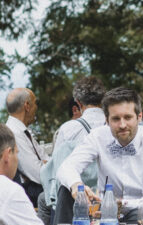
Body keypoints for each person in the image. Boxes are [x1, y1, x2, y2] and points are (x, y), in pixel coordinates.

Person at [54, 87, 143, 225]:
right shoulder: (98, 136)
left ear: (139, 117)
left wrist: (117, 205)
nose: (122, 124)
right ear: (107, 120)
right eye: (116, 119)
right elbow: (66, 167)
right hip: (105, 219)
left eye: (128, 117)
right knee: (66, 190)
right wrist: (76, 186)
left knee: (136, 215)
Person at [41, 77, 107, 215]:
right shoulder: (112, 126)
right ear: (102, 100)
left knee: (43, 200)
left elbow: (57, 167)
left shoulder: (68, 128)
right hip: (105, 194)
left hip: (73, 197)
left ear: (78, 102)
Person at [4, 87, 47, 208]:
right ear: (27, 106)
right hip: (29, 194)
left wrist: (44, 164)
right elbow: (39, 174)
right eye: (35, 103)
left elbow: (46, 160)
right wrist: (44, 164)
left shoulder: (22, 131)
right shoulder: (15, 133)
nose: (36, 108)